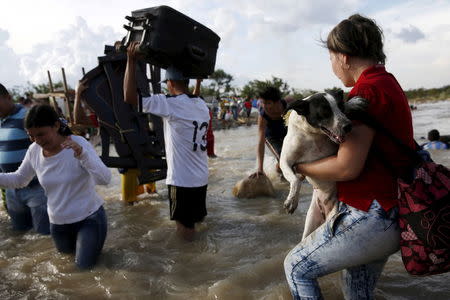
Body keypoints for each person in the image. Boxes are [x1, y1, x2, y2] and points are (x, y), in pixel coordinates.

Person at [284, 14, 415, 299]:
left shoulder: (366, 91)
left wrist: (299, 166)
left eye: (331, 58)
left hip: (370, 214)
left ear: (343, 56)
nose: (332, 66)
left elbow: (347, 167)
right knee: (357, 294)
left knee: (295, 267)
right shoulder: (388, 83)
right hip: (393, 212)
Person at [0, 104, 111, 269]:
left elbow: (105, 179)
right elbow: (20, 180)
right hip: (58, 225)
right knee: (65, 273)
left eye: (41, 134)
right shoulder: (34, 150)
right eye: (31, 136)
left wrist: (82, 155)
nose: (37, 140)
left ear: (56, 125)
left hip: (89, 219)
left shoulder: (78, 143)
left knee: (84, 271)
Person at [124, 41, 209, 241]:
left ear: (169, 84)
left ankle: (188, 267)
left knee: (184, 232)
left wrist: (130, 59)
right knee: (195, 223)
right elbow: (192, 97)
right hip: (200, 177)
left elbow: (129, 98)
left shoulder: (168, 104)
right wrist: (197, 83)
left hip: (182, 181)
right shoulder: (201, 105)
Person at [0, 83, 50, 235]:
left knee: (44, 237)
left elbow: (51, 145)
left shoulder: (28, 117)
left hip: (36, 189)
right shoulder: (1, 120)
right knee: (20, 236)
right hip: (11, 190)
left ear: (8, 97)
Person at [252, 86, 287, 177]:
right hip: (271, 136)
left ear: (277, 102)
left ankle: (279, 169)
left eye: (268, 103)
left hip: (285, 131)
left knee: (293, 156)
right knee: (283, 158)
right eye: (263, 103)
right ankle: (281, 171)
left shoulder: (287, 106)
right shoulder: (263, 116)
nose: (265, 106)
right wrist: (260, 168)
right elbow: (260, 141)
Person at [193, 79, 217, 158]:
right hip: (209, 137)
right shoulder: (207, 111)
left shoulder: (195, 112)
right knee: (212, 157)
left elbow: (193, 99)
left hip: (200, 139)